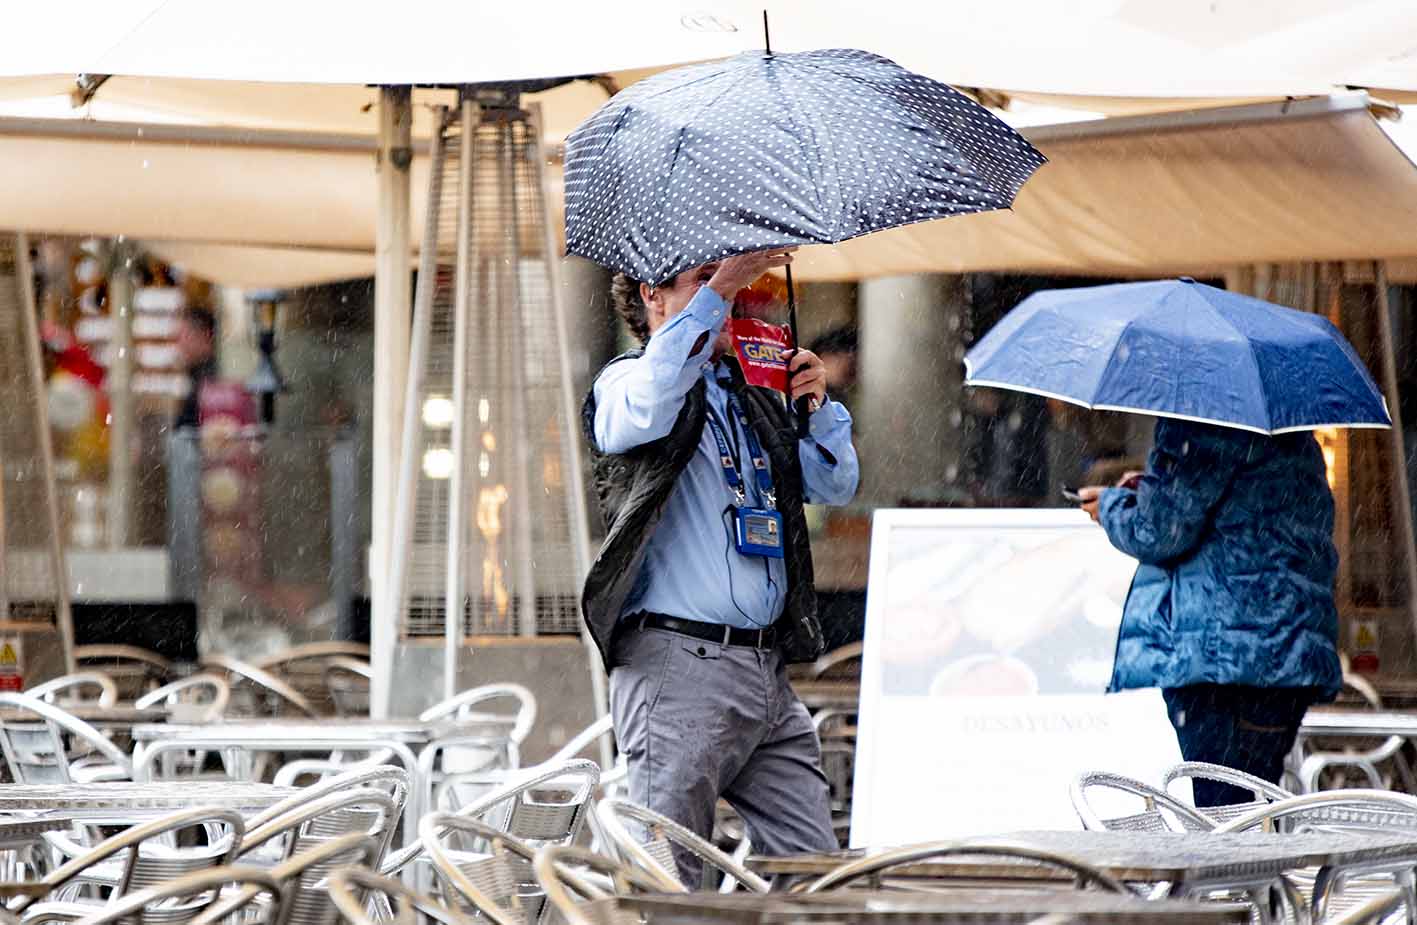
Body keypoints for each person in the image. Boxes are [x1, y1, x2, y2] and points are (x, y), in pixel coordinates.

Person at [581, 248, 859, 885]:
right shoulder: (627, 381)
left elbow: (833, 483)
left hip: (765, 667)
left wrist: (815, 407)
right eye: (703, 282)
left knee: (813, 870)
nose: (727, 298)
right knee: (671, 882)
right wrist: (726, 284)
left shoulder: (745, 389)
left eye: (728, 284)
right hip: (680, 665)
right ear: (654, 295)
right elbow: (646, 407)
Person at [1078, 418, 1341, 806]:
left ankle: (1244, 865)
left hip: (1220, 661)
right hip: (1290, 654)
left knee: (1221, 818)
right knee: (1256, 807)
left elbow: (1158, 532)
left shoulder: (1196, 427)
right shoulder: (1297, 439)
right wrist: (1152, 486)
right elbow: (1240, 505)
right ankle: (1259, 866)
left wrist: (1114, 505)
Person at [173, 307, 218, 429]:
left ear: (205, 335)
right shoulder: (195, 374)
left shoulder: (211, 379)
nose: (180, 344)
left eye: (185, 336)